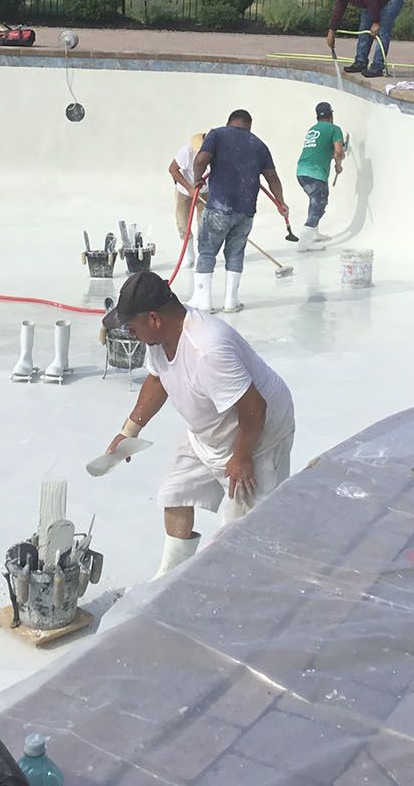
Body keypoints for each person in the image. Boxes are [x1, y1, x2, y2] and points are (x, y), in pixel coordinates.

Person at [100, 271, 295, 578]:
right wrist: (129, 432)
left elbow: (255, 406)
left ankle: (255, 588)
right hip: (208, 432)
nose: (130, 332)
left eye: (131, 325)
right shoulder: (158, 338)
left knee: (247, 528)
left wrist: (242, 457)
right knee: (175, 492)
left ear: (153, 318)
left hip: (259, 433)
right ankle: (169, 578)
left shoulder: (207, 348)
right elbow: (157, 379)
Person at [189, 110, 288, 314]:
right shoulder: (259, 145)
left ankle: (203, 301)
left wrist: (197, 179)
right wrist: (281, 202)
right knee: (235, 253)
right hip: (246, 211)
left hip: (219, 206)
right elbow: (272, 178)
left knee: (207, 250)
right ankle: (231, 302)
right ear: (249, 126)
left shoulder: (217, 134)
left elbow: (200, 161)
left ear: (229, 122)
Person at [326, 0, 405, 77]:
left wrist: (376, 22)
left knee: (382, 31)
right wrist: (331, 31)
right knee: (364, 30)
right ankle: (360, 62)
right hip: (375, 1)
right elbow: (339, 10)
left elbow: (371, 0)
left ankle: (377, 66)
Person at [294, 101, 345, 250]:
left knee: (314, 200)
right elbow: (338, 152)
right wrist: (338, 164)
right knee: (319, 203)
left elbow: (321, 150)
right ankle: (304, 243)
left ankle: (314, 233)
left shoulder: (312, 129)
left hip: (301, 170)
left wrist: (334, 156)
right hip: (315, 173)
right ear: (331, 115)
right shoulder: (335, 129)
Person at [167, 132, 206, 267]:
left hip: (206, 192)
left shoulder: (219, 153)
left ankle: (202, 256)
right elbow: (172, 169)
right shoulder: (186, 151)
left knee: (204, 225)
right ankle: (189, 256)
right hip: (185, 191)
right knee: (183, 224)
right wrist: (189, 188)